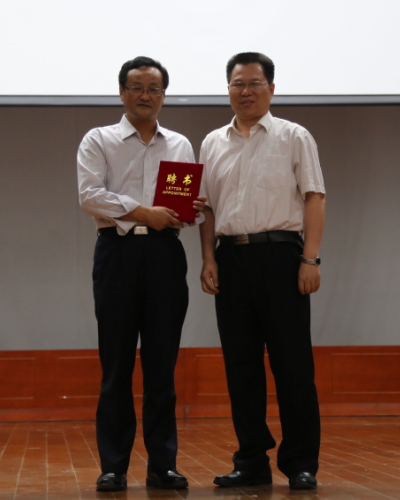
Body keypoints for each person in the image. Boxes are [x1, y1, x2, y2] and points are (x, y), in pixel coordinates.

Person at [77, 56, 205, 492]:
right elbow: (90, 195)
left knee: (161, 367)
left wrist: (191, 210)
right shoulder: (99, 139)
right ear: (121, 92)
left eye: (153, 88)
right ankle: (113, 466)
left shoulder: (180, 144)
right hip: (117, 252)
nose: (144, 95)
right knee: (115, 365)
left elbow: (182, 209)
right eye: (136, 87)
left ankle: (162, 465)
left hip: (165, 255)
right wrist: (144, 212)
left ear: (164, 96)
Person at [199, 52, 325, 491]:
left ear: (271, 88)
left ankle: (301, 462)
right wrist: (209, 258)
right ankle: (251, 460)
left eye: (254, 83)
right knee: (241, 367)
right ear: (228, 89)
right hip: (231, 260)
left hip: (282, 258)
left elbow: (314, 197)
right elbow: (206, 209)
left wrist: (310, 259)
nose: (246, 91)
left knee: (293, 364)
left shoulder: (294, 136)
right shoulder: (212, 142)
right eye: (238, 83)